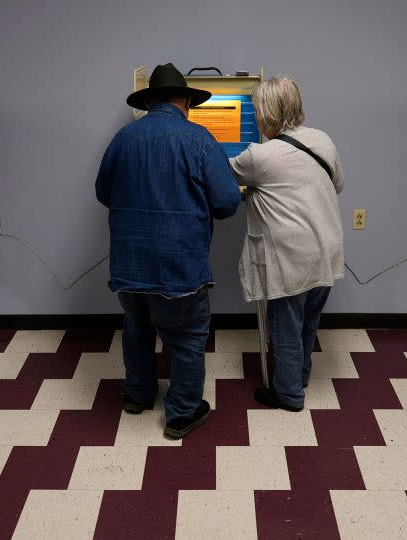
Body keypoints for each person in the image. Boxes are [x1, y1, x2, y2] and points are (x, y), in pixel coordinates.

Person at [96, 63, 241, 439]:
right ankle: (181, 413)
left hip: (129, 262)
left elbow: (103, 192)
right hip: (179, 265)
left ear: (149, 102)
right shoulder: (198, 139)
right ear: (187, 102)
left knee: (137, 326)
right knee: (188, 336)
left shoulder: (123, 138)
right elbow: (226, 203)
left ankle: (138, 394)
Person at [230, 77, 345, 412]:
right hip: (326, 250)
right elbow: (337, 184)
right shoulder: (322, 140)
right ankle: (299, 376)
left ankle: (288, 395)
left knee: (284, 329)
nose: (256, 119)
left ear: (268, 115)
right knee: (307, 322)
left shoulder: (259, 156)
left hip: (291, 257)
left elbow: (219, 172)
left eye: (257, 112)